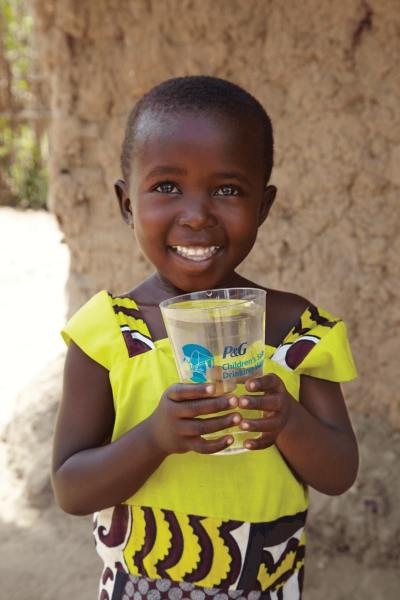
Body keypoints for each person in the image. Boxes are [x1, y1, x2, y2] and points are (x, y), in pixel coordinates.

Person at [52, 76, 358, 600]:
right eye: (167, 186)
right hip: (141, 586)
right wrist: (154, 439)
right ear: (127, 205)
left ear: (262, 207)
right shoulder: (108, 334)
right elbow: (71, 488)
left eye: (228, 190)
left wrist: (288, 419)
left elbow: (339, 472)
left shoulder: (294, 332)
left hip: (264, 585)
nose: (196, 214)